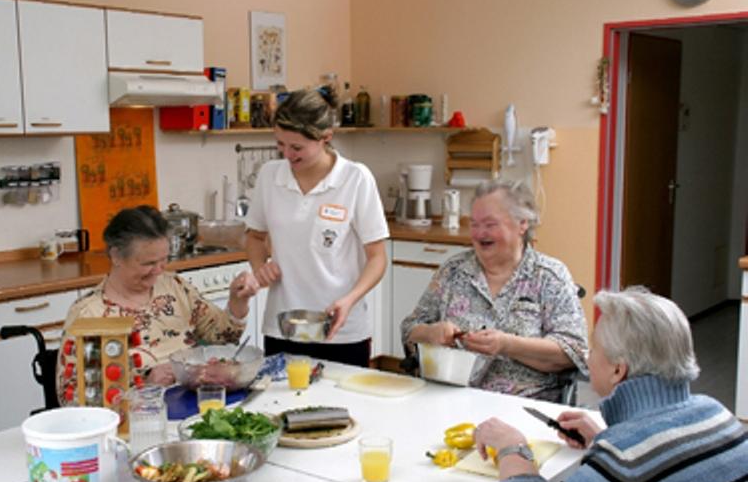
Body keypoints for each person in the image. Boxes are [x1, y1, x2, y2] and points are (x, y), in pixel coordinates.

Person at [475, 287, 748, 482]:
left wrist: (514, 449)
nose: (587, 357)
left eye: (593, 349)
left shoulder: (624, 462)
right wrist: (605, 440)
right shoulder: (718, 413)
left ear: (618, 370)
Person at [401, 179, 587, 401]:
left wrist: (508, 345)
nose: (480, 234)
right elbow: (409, 330)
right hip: (450, 398)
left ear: (522, 224)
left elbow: (573, 352)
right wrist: (431, 333)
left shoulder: (549, 276)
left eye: (490, 224)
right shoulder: (453, 271)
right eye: (474, 224)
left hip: (523, 405)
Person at [245, 87, 389, 367]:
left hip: (340, 330)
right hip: (282, 327)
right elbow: (254, 237)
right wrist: (259, 266)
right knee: (280, 408)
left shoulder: (355, 178)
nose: (287, 154)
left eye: (296, 147)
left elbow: (377, 257)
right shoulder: (270, 176)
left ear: (326, 137)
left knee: (343, 410)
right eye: (280, 144)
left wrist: (350, 299)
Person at [56, 205, 259, 405]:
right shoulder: (89, 314)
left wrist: (237, 301)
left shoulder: (173, 287)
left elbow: (224, 339)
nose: (158, 271)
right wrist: (144, 386)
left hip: (197, 403)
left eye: (164, 261)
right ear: (116, 256)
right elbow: (71, 400)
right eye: (148, 264)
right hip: (141, 420)